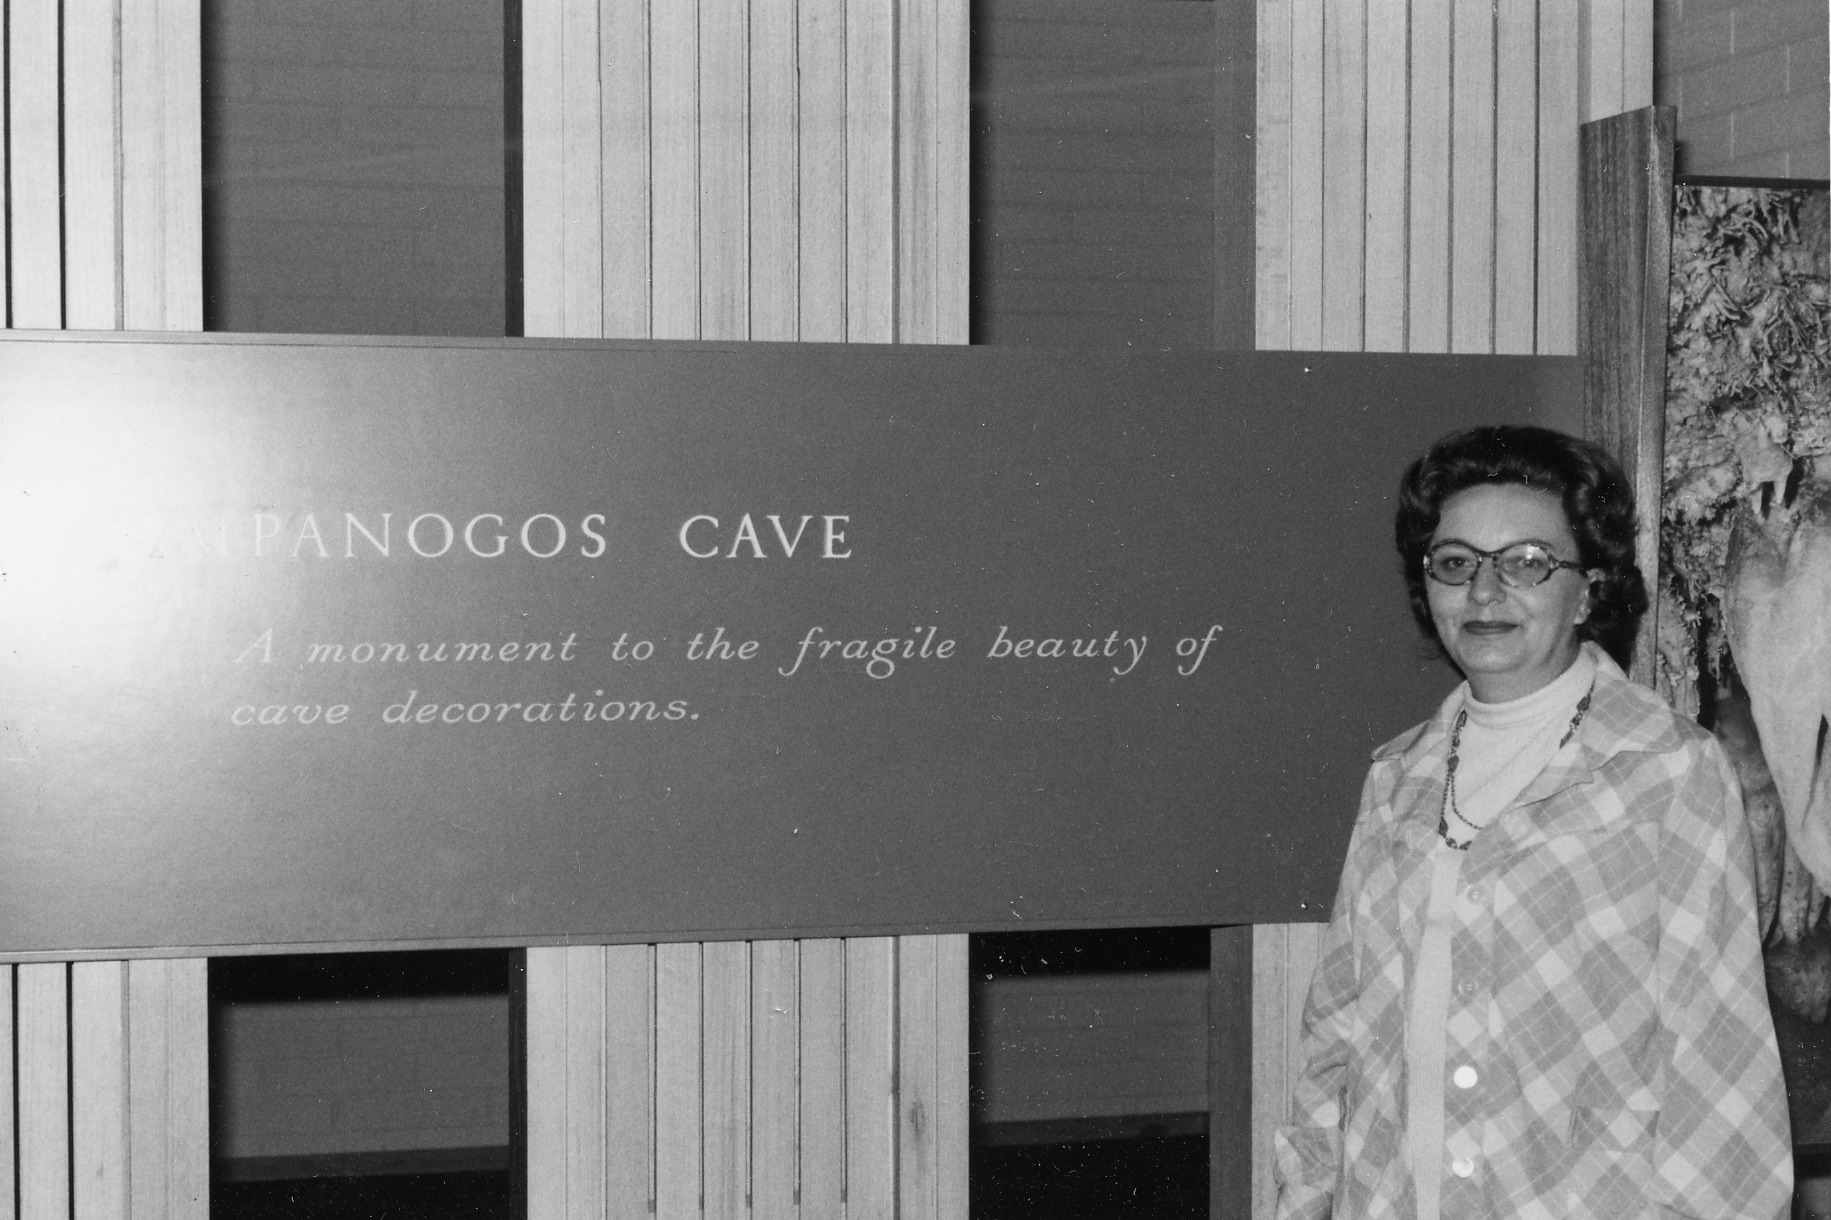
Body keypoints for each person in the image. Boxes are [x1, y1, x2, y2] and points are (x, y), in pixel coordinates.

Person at [1273, 425, 1792, 1220]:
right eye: (1455, 564)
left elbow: (1718, 1063)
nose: (1483, 594)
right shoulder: (1395, 780)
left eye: (1526, 563)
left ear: (1585, 590)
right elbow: (1334, 1044)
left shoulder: (1667, 769)